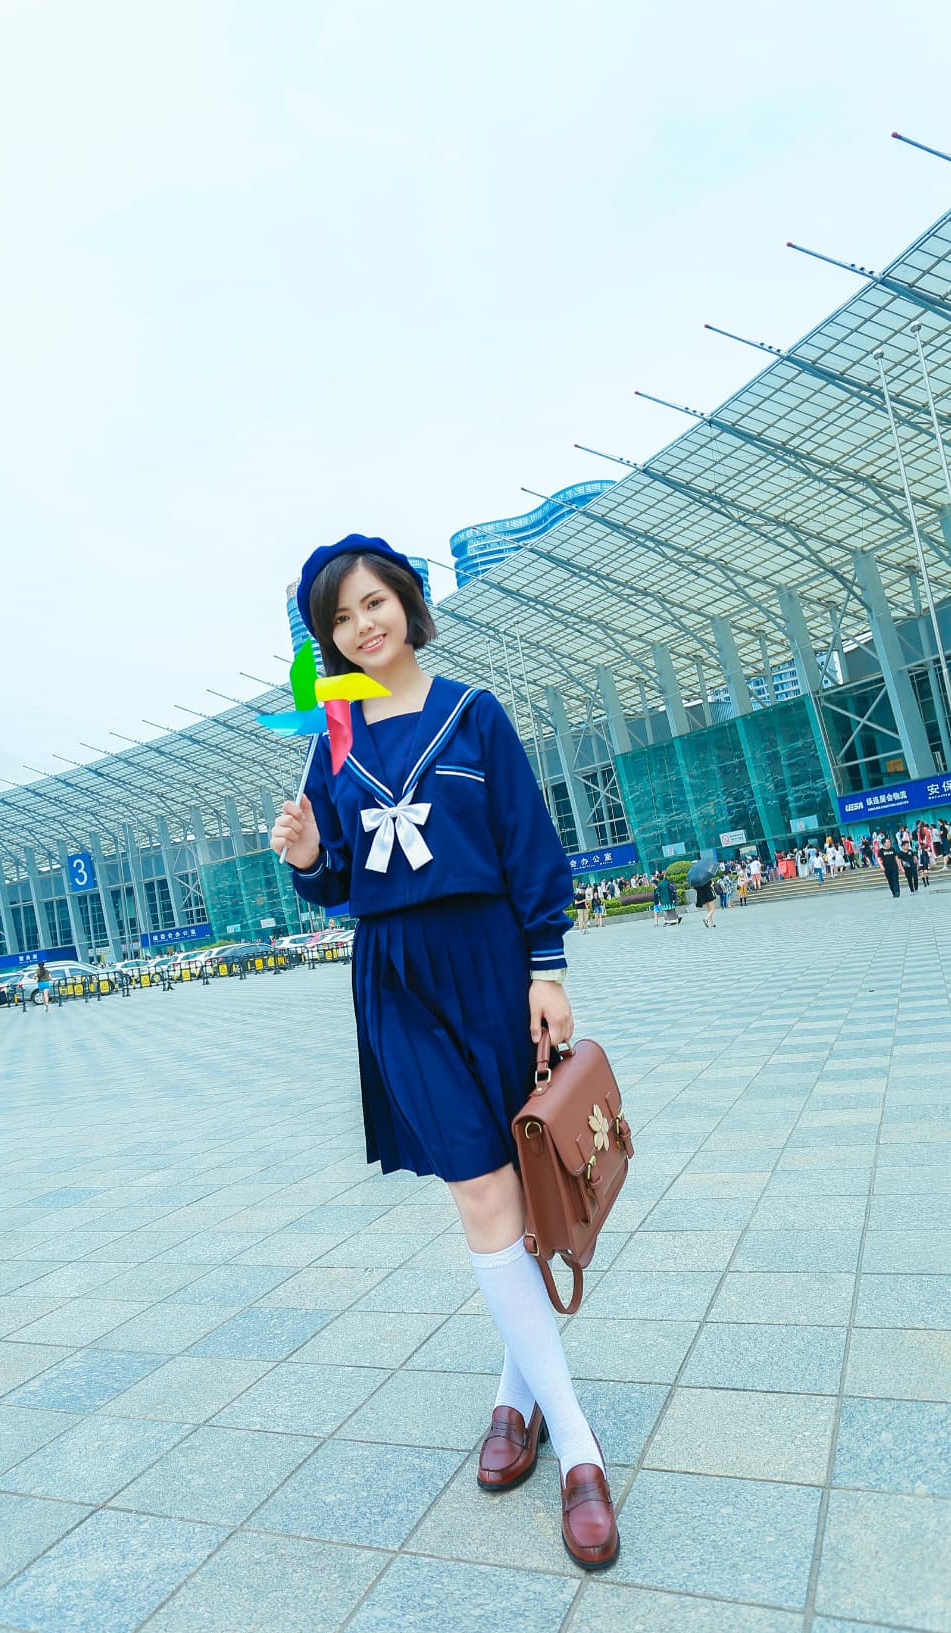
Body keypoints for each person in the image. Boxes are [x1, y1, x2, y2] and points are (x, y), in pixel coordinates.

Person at [269, 535, 618, 1570]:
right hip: (396, 979)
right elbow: (337, 880)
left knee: (517, 1179)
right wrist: (303, 857)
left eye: (373, 603)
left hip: (488, 962)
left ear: (407, 605)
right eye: (338, 618)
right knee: (479, 1195)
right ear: (325, 638)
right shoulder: (329, 739)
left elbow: (525, 840)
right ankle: (581, 1454)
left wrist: (544, 970)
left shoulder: (474, 713)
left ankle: (515, 1402)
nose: (361, 626)